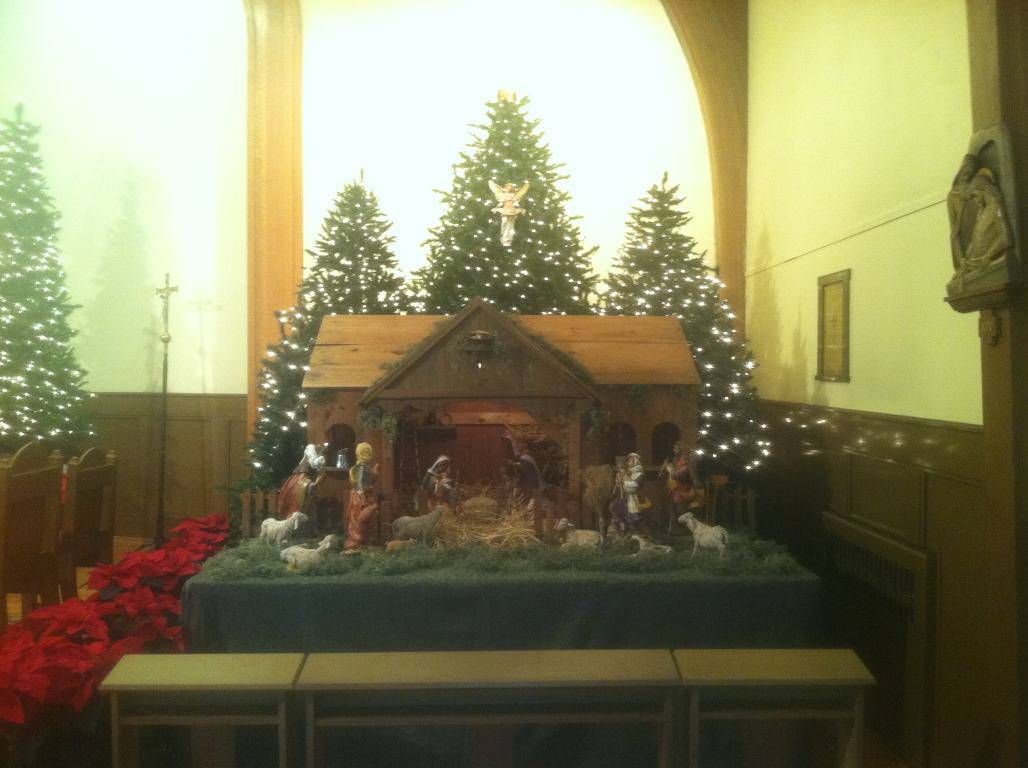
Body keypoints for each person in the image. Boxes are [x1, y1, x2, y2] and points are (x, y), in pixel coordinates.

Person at [277, 442, 327, 518]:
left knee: (308, 496)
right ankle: (294, 514)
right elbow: (313, 463)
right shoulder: (311, 450)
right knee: (298, 494)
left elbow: (317, 468)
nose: (321, 448)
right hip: (302, 475)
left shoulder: (320, 456)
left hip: (310, 476)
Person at [660, 442, 701, 532]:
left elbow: (680, 474)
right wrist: (665, 469)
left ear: (681, 450)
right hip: (674, 488)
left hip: (682, 488)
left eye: (677, 449)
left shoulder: (685, 461)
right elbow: (670, 474)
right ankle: (672, 529)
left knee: (682, 511)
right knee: (672, 509)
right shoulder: (674, 460)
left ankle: (691, 529)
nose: (674, 451)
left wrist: (670, 470)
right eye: (674, 449)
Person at [345, 442, 378, 550]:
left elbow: (371, 480)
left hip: (366, 495)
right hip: (360, 496)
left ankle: (367, 540)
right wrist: (363, 498)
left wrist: (375, 471)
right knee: (359, 518)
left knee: (369, 517)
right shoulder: (359, 468)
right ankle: (359, 540)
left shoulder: (364, 468)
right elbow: (358, 484)